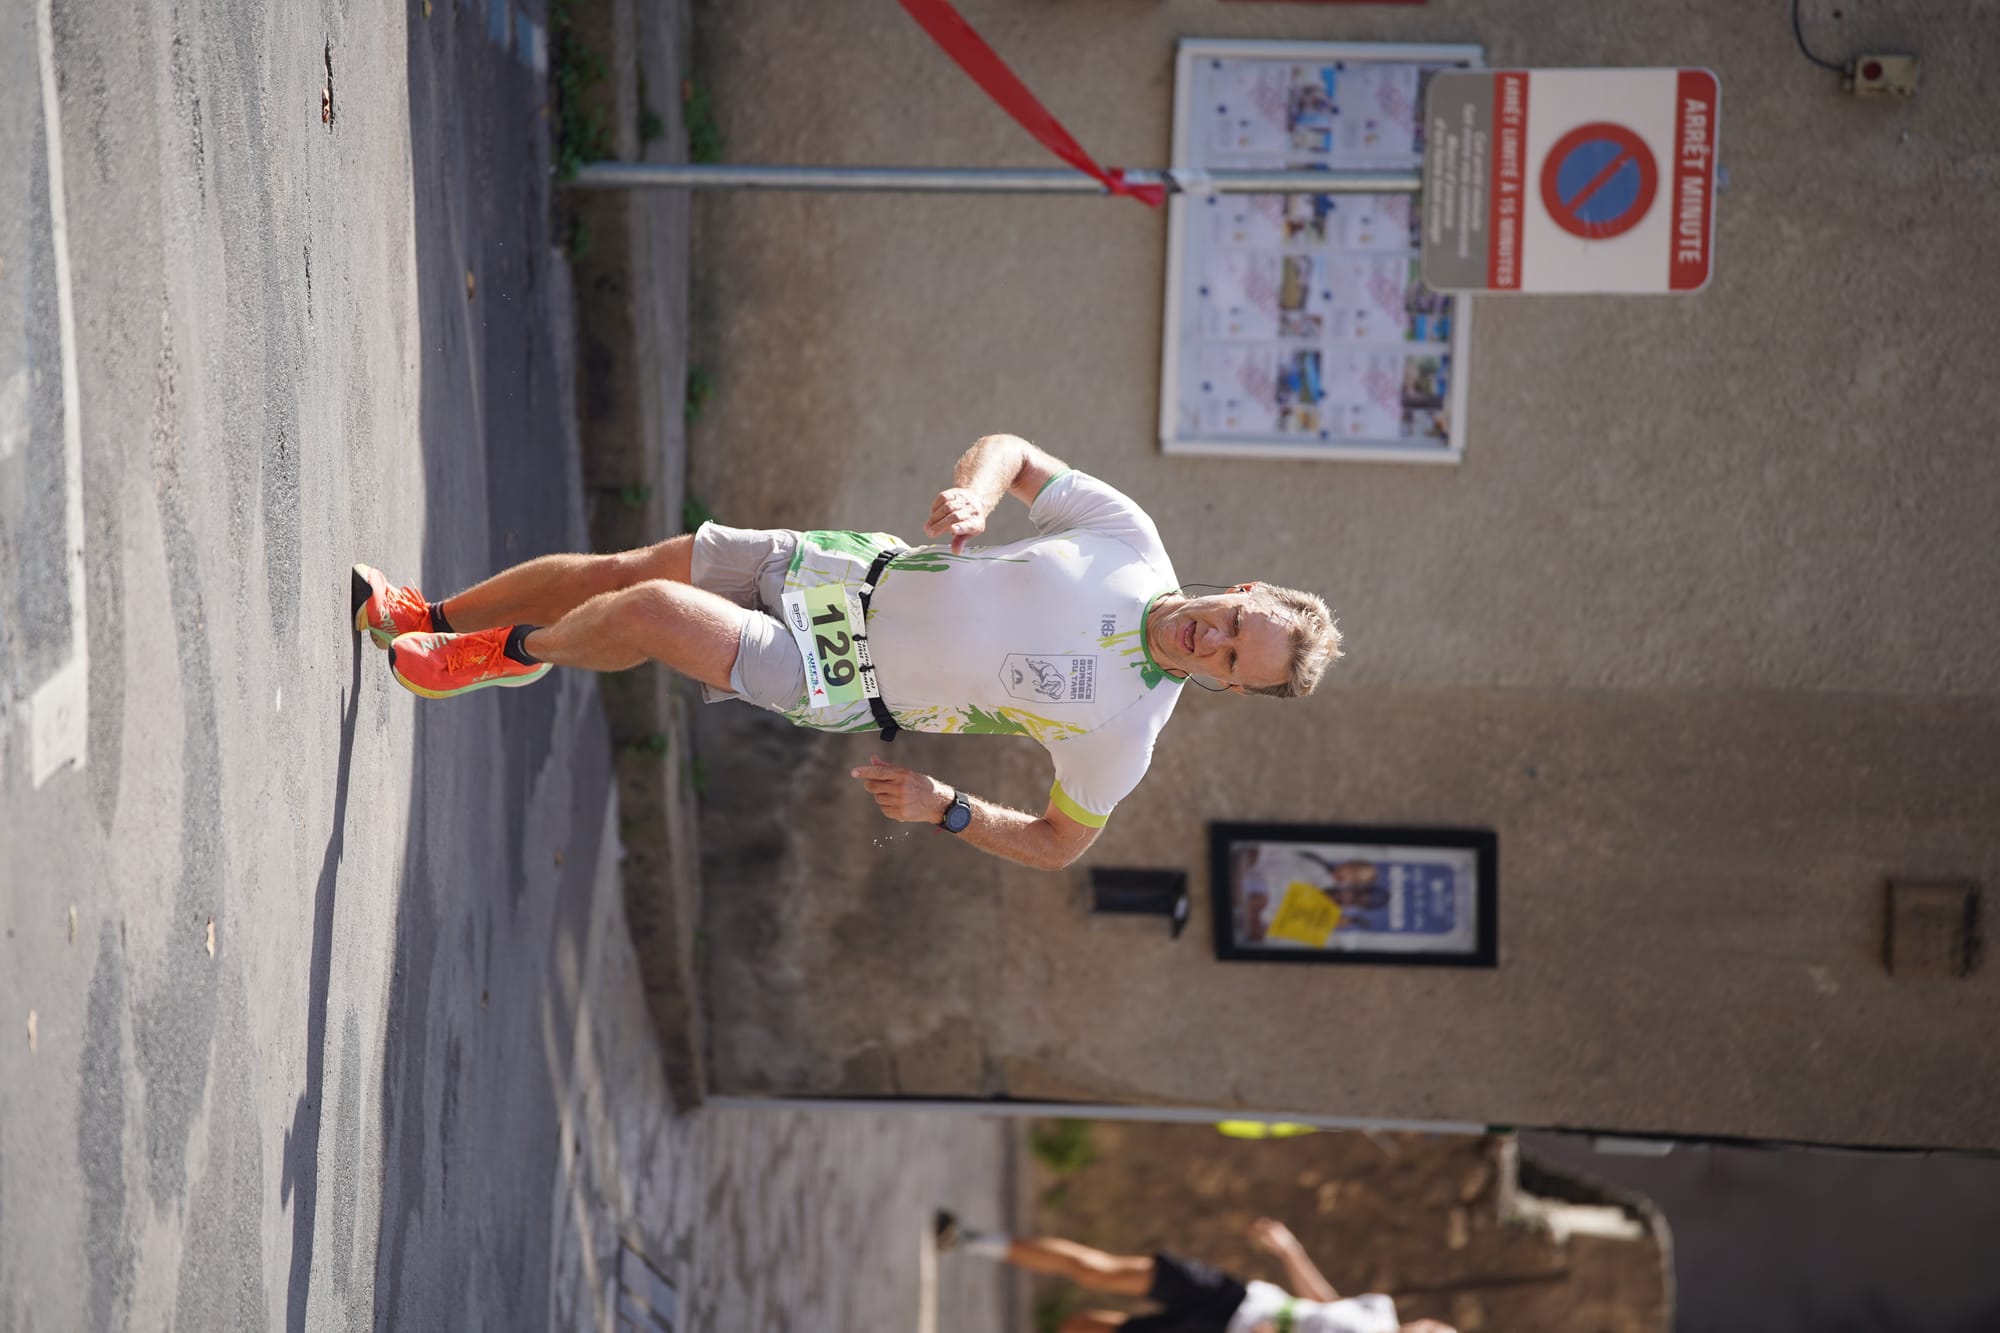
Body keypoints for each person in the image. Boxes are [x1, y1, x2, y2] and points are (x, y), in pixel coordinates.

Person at [352, 434, 1341, 870]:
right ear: (1241, 589)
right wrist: (975, 494)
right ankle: (423, 609)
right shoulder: (1129, 538)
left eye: (1228, 662)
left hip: (841, 677)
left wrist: (950, 808)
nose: (1210, 640)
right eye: (1231, 623)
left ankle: (502, 650)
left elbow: (1057, 842)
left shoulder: (1126, 732)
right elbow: (1013, 451)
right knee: (621, 569)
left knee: (649, 610)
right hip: (848, 571)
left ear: (1225, 687)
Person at [932, 1211, 1454, 1333]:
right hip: (1235, 1299)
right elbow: (1324, 1302)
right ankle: (971, 1239)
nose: (1431, 1328)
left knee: (1082, 1327)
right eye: (1438, 1326)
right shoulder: (1379, 1311)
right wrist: (1289, 1250)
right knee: (1098, 1270)